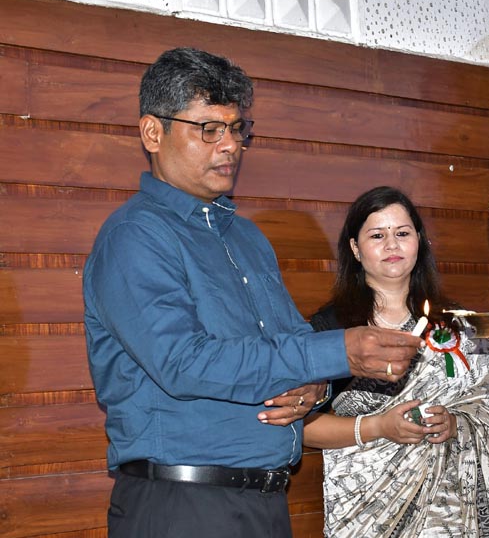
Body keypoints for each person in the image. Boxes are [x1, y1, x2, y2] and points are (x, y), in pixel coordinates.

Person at [82, 47, 423, 538]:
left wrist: (315, 388)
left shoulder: (247, 238)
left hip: (264, 501)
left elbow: (293, 342)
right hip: (182, 507)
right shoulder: (134, 237)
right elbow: (183, 362)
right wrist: (335, 353)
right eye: (208, 129)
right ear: (153, 133)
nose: (230, 146)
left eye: (237, 128)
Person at [297, 186, 489, 537]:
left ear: (419, 241)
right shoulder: (332, 328)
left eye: (402, 233)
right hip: (369, 512)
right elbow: (301, 425)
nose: (391, 245)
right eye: (377, 235)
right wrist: (379, 426)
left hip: (452, 514)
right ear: (355, 248)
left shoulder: (456, 326)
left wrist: (456, 424)